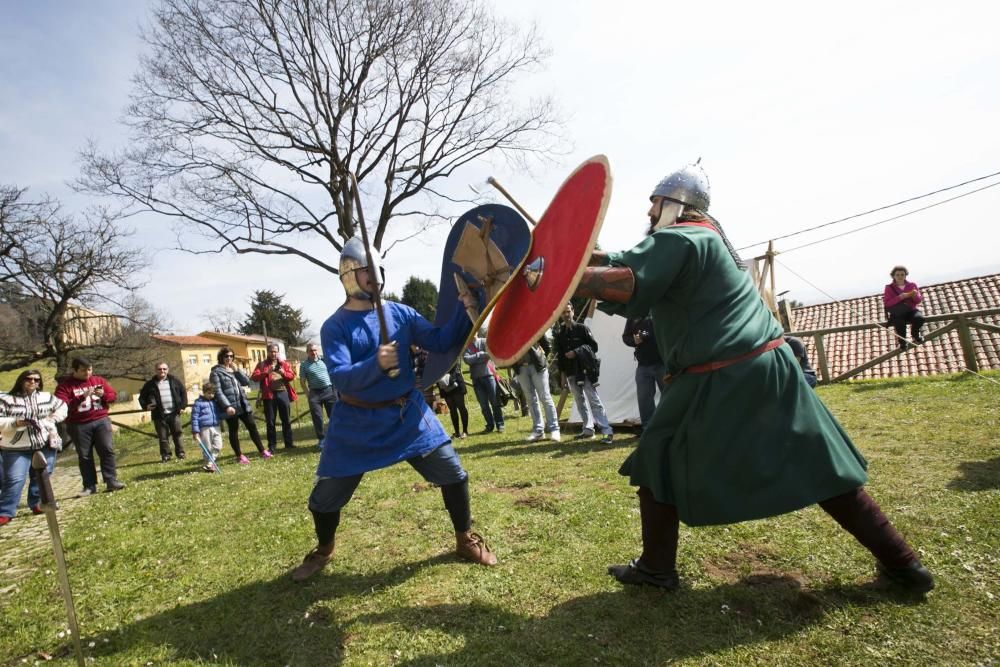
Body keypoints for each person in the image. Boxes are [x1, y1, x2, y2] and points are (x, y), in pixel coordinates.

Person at [574, 161, 933, 593]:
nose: (649, 214)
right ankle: (904, 565)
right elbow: (622, 262)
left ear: (674, 204)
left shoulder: (682, 238)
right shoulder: (700, 240)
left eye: (655, 205)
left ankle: (655, 570)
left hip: (723, 373)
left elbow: (628, 281)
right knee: (818, 464)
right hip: (766, 366)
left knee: (658, 460)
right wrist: (575, 258)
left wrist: (559, 279)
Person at [290, 236, 497, 581]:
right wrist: (376, 363)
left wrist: (466, 310)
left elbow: (441, 340)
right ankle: (324, 550)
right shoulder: (334, 327)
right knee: (324, 498)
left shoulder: (399, 313)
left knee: (453, 473)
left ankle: (464, 539)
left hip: (407, 414)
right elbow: (341, 379)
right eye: (365, 271)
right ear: (349, 276)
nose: (374, 277)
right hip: (356, 421)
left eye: (377, 270)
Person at [0, 370, 68, 526]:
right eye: (28, 379)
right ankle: (5, 511)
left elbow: (63, 407)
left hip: (45, 442)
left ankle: (38, 504)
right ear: (21, 380)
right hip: (16, 447)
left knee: (43, 476)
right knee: (15, 478)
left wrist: (51, 419)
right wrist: (15, 423)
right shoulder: (7, 399)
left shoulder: (46, 397)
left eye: (36, 380)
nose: (32, 382)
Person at [54, 358, 126, 495]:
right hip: (78, 425)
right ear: (74, 370)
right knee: (85, 456)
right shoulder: (65, 386)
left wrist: (103, 395)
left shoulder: (98, 381)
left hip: (101, 420)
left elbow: (112, 396)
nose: (87, 373)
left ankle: (111, 481)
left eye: (89, 369)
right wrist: (81, 397)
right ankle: (89, 486)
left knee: (107, 450)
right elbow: (61, 406)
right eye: (83, 370)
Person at [553, 303, 613, 444]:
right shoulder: (560, 334)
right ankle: (588, 429)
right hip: (570, 372)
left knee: (594, 400)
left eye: (568, 311)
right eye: (563, 313)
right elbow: (561, 358)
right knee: (580, 402)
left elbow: (594, 347)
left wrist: (577, 352)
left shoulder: (582, 329)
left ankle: (607, 432)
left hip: (584, 370)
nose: (566, 315)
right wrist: (562, 377)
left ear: (573, 312)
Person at [209, 347, 269, 464]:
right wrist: (227, 406)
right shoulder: (216, 373)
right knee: (233, 430)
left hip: (242, 404)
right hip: (230, 407)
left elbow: (246, 382)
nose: (229, 358)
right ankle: (239, 455)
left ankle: (262, 451)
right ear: (221, 357)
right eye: (226, 356)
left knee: (252, 426)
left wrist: (237, 370)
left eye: (231, 356)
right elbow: (218, 391)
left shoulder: (233, 370)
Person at [511, 335, 560, 442]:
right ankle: (538, 431)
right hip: (521, 368)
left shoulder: (532, 324)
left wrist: (540, 359)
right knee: (530, 399)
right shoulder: (510, 329)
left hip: (537, 367)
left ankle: (554, 429)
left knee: (545, 397)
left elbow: (547, 345)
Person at [251, 344, 298, 452]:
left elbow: (291, 376)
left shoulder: (283, 364)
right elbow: (254, 377)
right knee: (270, 422)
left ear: (278, 352)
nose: (274, 353)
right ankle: (272, 446)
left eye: (275, 351)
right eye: (271, 351)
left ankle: (289, 443)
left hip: (283, 394)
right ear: (267, 352)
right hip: (269, 396)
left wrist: (283, 373)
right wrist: (266, 372)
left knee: (286, 420)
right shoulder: (262, 364)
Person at [139, 361, 189, 462]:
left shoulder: (174, 380)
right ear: (156, 370)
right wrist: (146, 406)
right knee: (163, 437)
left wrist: (182, 406)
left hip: (174, 413)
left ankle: (180, 453)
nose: (162, 371)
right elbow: (142, 398)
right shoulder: (150, 384)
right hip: (159, 415)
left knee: (177, 434)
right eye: (160, 369)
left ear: (167, 370)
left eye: (164, 369)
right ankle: (166, 455)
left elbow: (183, 392)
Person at [622, 315, 666, 432]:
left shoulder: (659, 311)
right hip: (643, 366)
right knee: (644, 399)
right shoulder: (633, 316)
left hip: (662, 363)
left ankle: (668, 427)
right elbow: (625, 337)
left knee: (669, 395)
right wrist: (634, 340)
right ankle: (648, 429)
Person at [463, 335, 505, 434]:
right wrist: (480, 355)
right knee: (484, 405)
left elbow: (490, 354)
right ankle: (490, 425)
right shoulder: (467, 346)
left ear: (477, 331)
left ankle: (500, 424)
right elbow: (466, 360)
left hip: (489, 375)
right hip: (476, 379)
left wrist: (476, 359)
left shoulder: (485, 341)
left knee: (495, 402)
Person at [300, 343, 337, 447]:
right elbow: (302, 382)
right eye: (311, 350)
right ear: (307, 352)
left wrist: (334, 390)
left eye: (315, 350)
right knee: (317, 418)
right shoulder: (304, 365)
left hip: (329, 391)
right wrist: (308, 394)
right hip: (315, 394)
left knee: (334, 416)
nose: (313, 352)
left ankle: (336, 438)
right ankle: (321, 440)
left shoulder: (325, 361)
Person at [883, 266, 925, 349]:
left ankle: (915, 334)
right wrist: (901, 297)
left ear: (905, 275)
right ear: (893, 276)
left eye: (902, 274)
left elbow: (918, 300)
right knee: (899, 323)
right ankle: (902, 342)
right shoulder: (889, 288)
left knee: (919, 318)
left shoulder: (912, 285)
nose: (900, 276)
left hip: (911, 310)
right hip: (898, 312)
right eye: (897, 274)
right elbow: (887, 304)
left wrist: (914, 296)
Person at [190, 382, 224, 472]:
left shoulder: (215, 402)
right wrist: (195, 431)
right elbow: (194, 418)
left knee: (218, 445)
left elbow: (220, 413)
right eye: (209, 393)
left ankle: (209, 463)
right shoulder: (198, 403)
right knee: (207, 447)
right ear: (204, 392)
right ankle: (209, 464)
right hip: (204, 428)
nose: (211, 395)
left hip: (216, 426)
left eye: (213, 393)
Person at [437, 362, 470, 440]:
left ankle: (465, 431)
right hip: (444, 386)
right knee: (452, 410)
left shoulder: (451, 353)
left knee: (461, 408)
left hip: (456, 384)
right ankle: (457, 432)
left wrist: (450, 380)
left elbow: (455, 368)